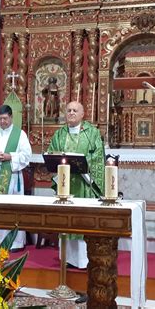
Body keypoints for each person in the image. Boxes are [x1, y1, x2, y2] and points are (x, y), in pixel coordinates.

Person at [47, 101, 105, 268]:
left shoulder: (91, 133)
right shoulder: (60, 134)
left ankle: (83, 260)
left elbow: (98, 156)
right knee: (67, 221)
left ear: (82, 114)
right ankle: (67, 259)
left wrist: (83, 163)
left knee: (81, 220)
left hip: (84, 183)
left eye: (75, 110)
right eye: (69, 110)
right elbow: (53, 152)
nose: (71, 113)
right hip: (65, 183)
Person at [0, 105, 32, 250]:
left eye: (5, 119)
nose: (2, 122)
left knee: (9, 209)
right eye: (0, 119)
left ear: (11, 117)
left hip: (11, 178)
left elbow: (27, 155)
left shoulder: (20, 134)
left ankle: (13, 242)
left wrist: (10, 156)